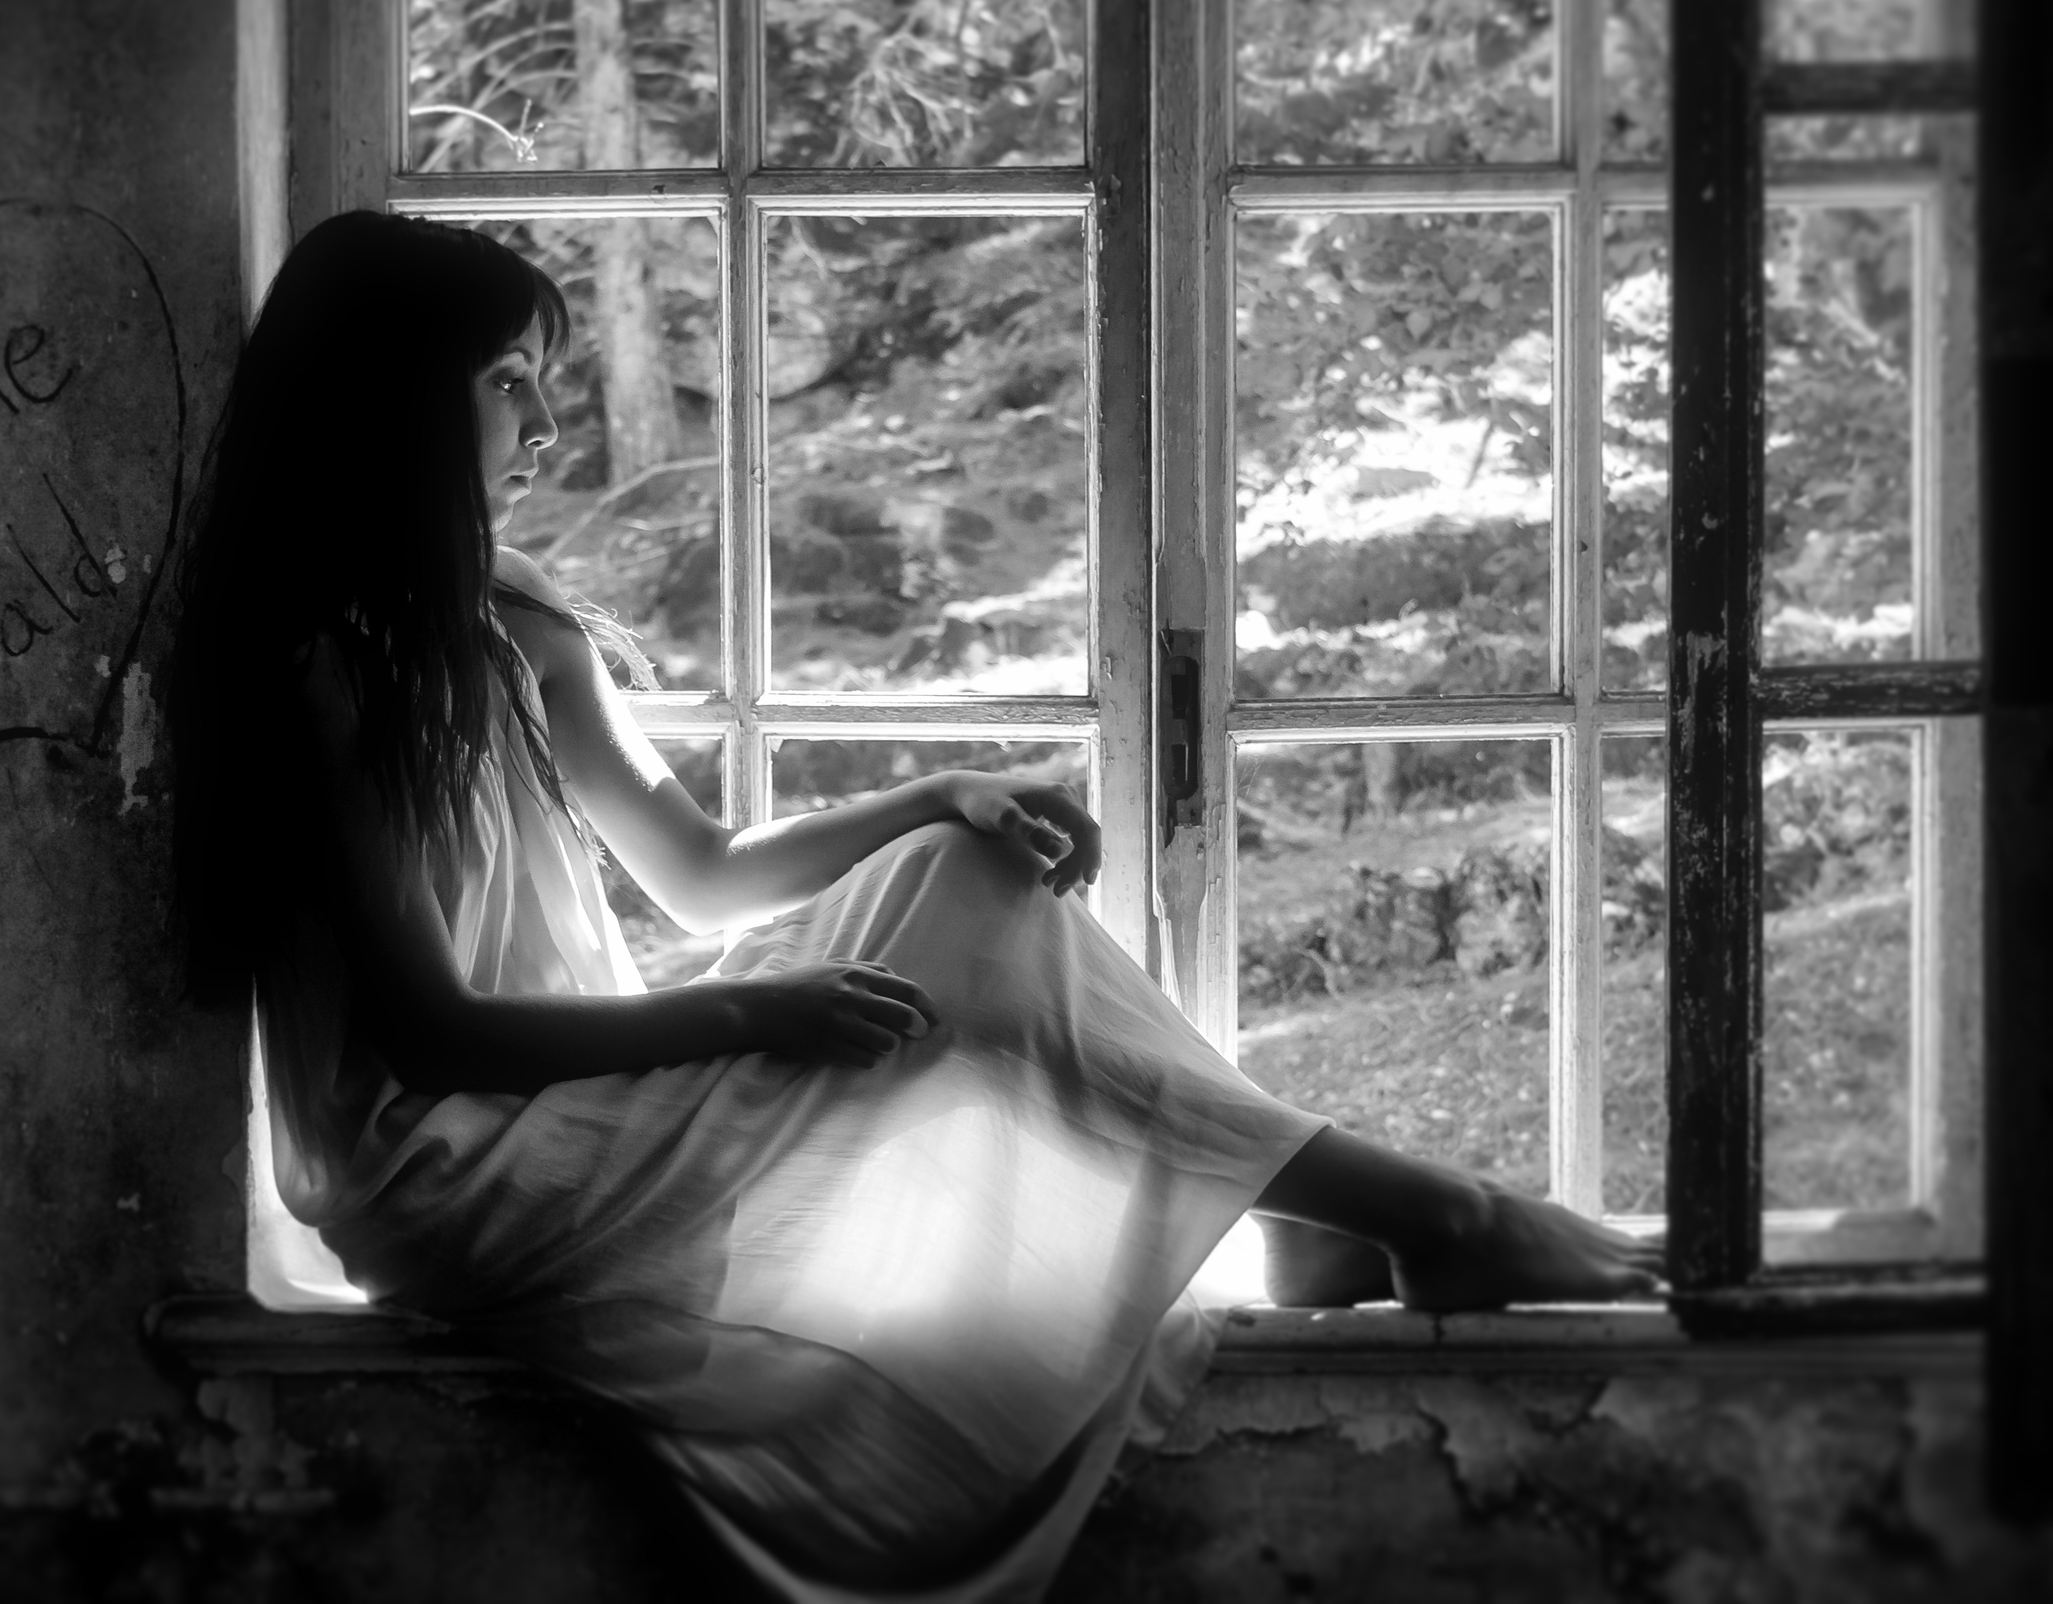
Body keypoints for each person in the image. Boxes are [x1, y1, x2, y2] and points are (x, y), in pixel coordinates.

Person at [173, 211, 1655, 1601]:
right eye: (509, 384)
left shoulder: (512, 625)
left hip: (575, 1104)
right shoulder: (320, 673)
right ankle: (1418, 1212)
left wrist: (938, 792)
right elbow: (433, 1036)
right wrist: (757, 1013)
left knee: (966, 866)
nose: (549, 428)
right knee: (932, 947)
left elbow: (703, 870)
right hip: (450, 1174)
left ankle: (1299, 1206)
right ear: (389, 407)